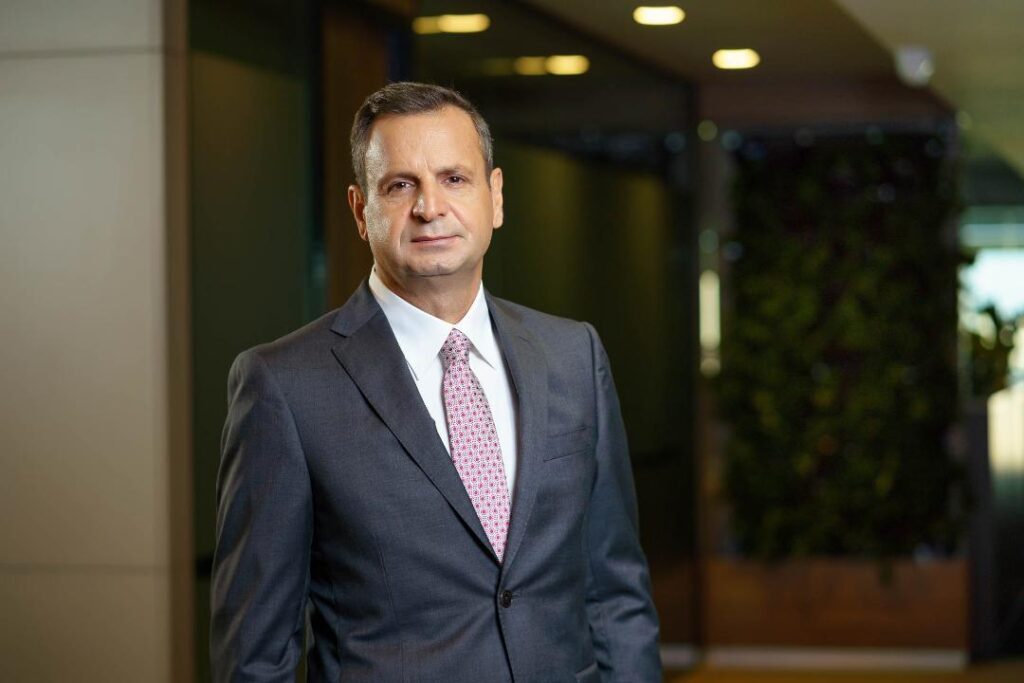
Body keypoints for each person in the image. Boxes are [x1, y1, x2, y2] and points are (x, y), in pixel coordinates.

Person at [210, 81, 661, 682]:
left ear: (495, 197)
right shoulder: (284, 386)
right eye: (400, 185)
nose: (430, 207)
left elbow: (615, 590)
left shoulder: (573, 354)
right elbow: (255, 653)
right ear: (360, 210)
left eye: (454, 178)